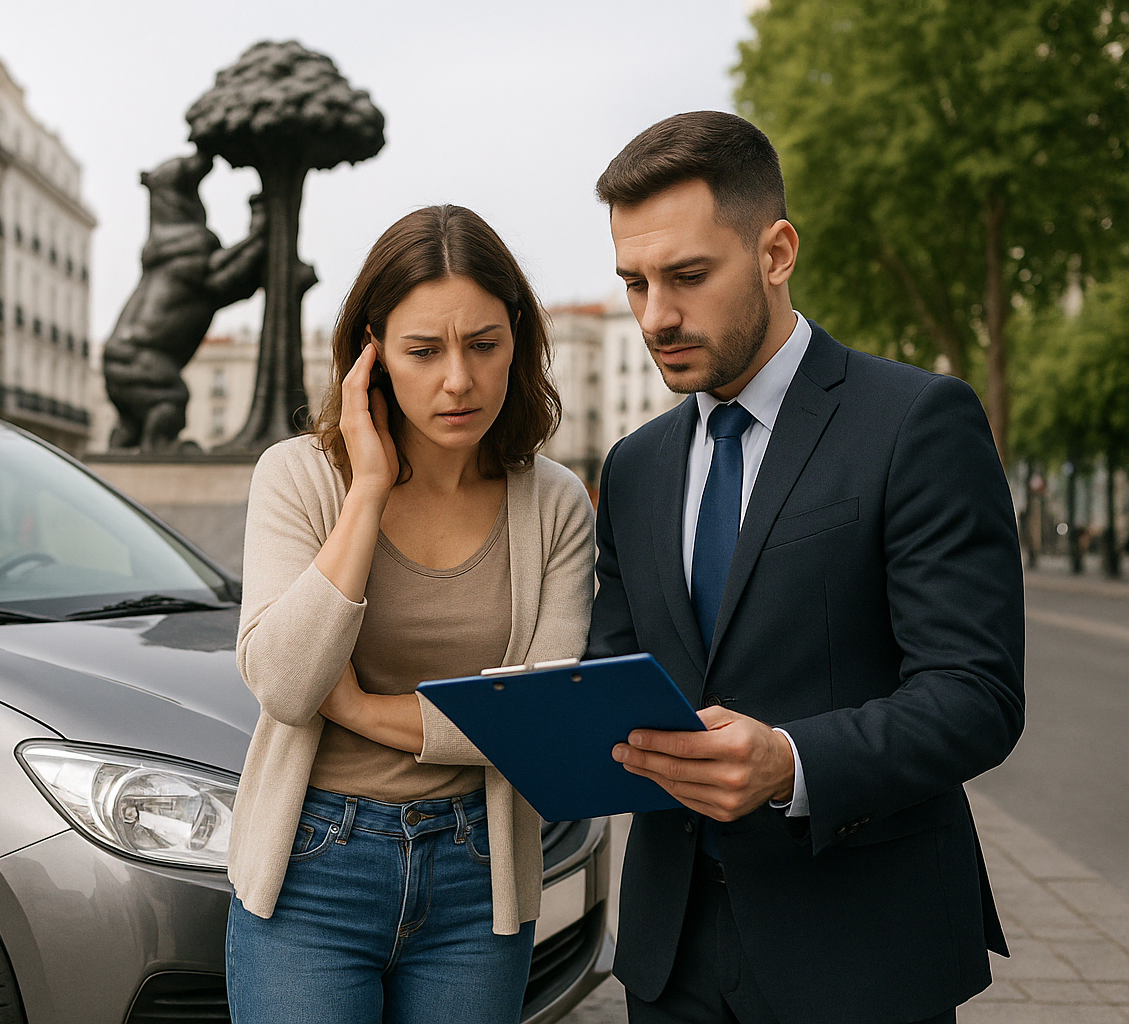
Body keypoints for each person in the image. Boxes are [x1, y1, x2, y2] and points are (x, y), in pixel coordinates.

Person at [586, 111, 1025, 1024]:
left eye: (688, 276)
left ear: (777, 251)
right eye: (634, 283)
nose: (655, 315)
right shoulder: (632, 467)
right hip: (671, 960)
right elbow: (621, 676)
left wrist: (790, 762)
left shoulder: (916, 421)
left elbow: (977, 694)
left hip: (861, 952)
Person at [225, 204, 595, 1024]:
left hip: (479, 873)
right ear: (374, 354)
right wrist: (365, 492)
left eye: (484, 345)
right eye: (423, 351)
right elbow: (286, 687)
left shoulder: (558, 505)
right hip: (311, 868)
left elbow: (541, 719)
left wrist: (356, 707)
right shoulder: (299, 479)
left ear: (520, 339)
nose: (457, 380)